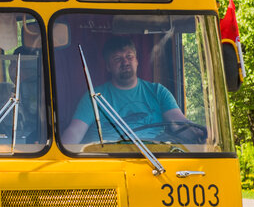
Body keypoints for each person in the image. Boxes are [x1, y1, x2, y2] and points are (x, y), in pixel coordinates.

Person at [62, 36, 198, 144]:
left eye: (129, 57)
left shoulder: (158, 92)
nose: (125, 62)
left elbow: (179, 124)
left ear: (137, 61)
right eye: (117, 59)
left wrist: (204, 134)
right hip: (108, 161)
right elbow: (75, 132)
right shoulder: (93, 96)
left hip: (156, 161)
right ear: (108, 67)